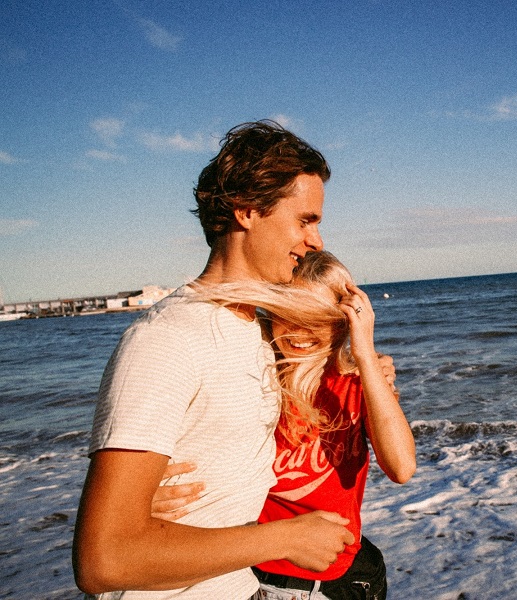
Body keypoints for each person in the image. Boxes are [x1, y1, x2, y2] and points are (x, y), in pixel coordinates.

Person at [72, 120, 355, 599]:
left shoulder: (261, 329)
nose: (317, 241)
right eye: (305, 220)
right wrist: (287, 537)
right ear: (247, 211)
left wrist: (363, 364)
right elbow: (105, 559)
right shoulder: (165, 340)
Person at [153, 251, 416, 600]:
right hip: (264, 578)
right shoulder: (252, 382)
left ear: (343, 320)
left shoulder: (359, 384)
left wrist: (366, 353)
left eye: (316, 317)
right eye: (288, 313)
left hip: (352, 578)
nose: (300, 331)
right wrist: (143, 500)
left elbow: (401, 467)